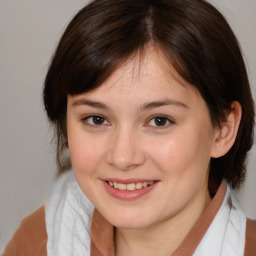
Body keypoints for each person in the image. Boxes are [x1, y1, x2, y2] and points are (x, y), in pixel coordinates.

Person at [3, 0, 256, 255]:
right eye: (96, 119)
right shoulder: (38, 242)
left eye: (160, 121)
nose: (122, 157)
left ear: (223, 128)